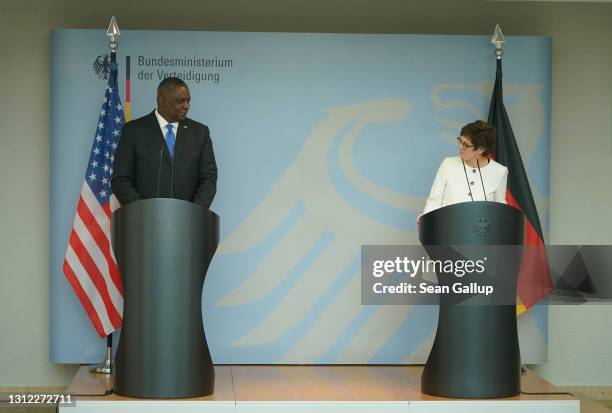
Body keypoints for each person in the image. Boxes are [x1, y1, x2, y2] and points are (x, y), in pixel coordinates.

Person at [112, 77, 217, 207]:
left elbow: (208, 179)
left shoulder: (200, 133)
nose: (186, 106)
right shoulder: (133, 131)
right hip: (144, 222)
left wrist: (193, 212)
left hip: (188, 222)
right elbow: (121, 179)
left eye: (188, 101)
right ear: (161, 100)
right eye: (181, 101)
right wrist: (144, 210)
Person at [419, 120, 508, 223]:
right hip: (447, 232)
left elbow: (500, 211)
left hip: (480, 235)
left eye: (466, 144)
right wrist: (426, 220)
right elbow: (434, 201)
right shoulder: (448, 164)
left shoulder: (499, 171)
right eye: (460, 141)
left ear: (481, 149)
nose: (460, 146)